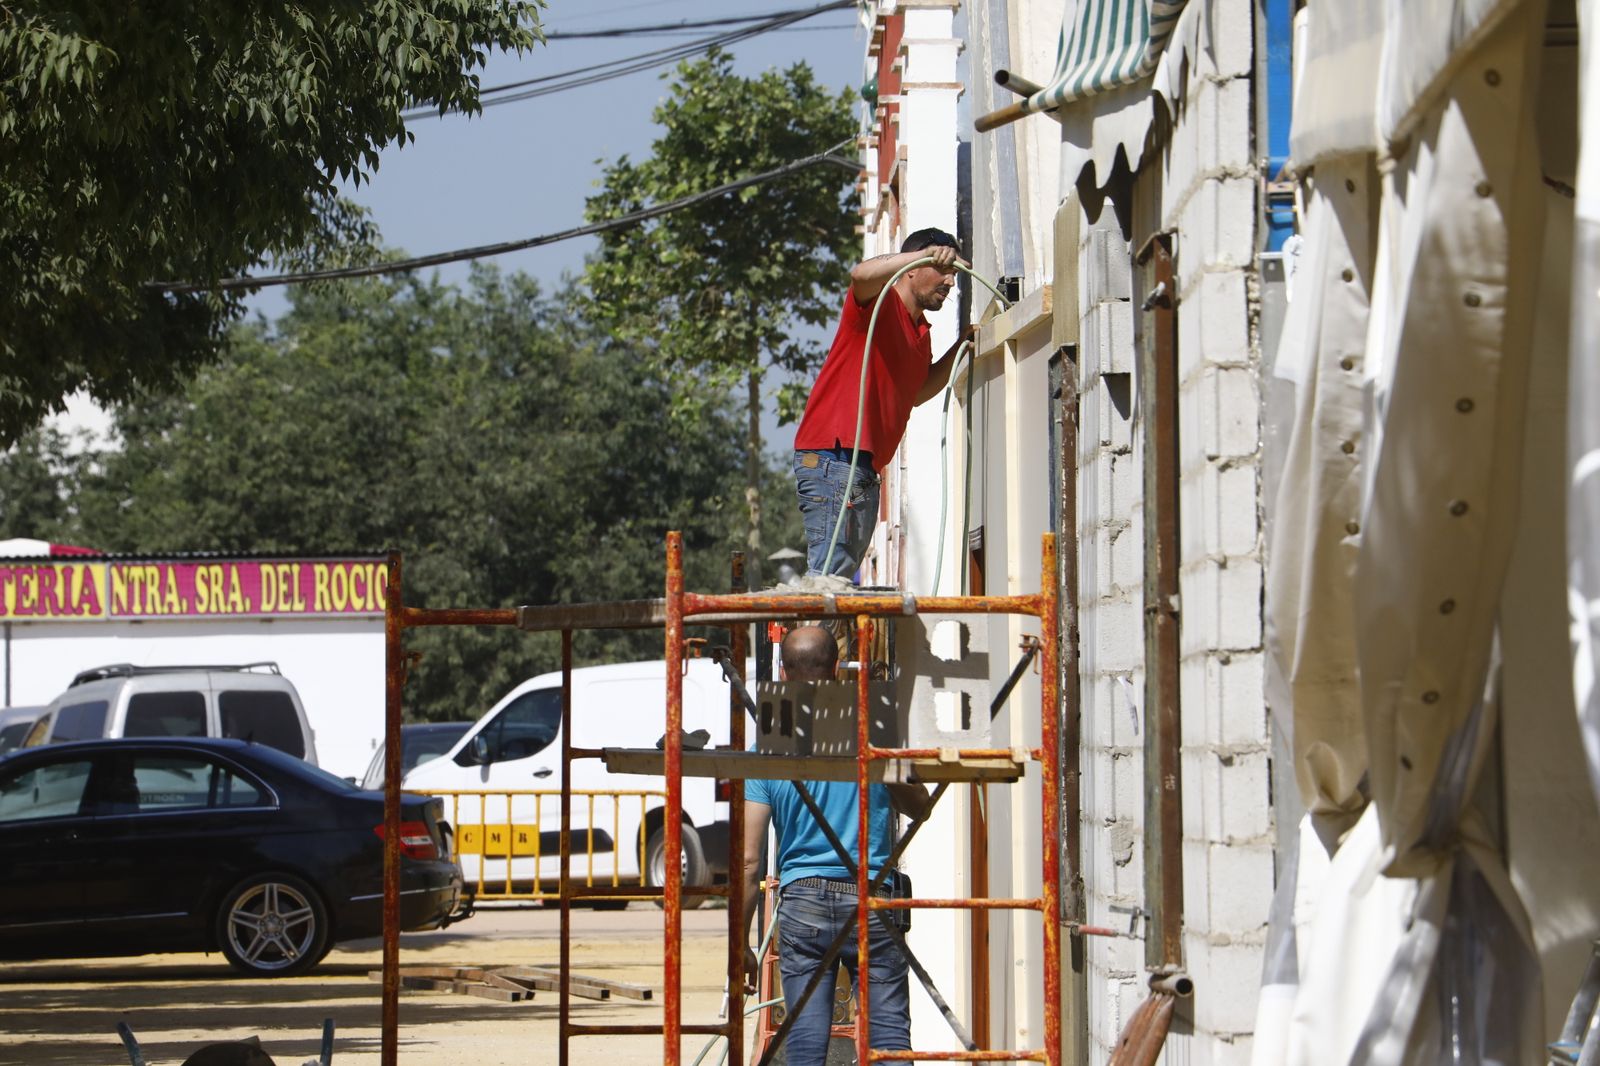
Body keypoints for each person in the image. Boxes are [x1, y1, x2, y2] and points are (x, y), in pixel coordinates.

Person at [741, 626, 932, 1064]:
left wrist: (741, 944)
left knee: (806, 1045)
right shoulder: (873, 729)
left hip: (802, 900)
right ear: (836, 669)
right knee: (888, 1042)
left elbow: (750, 859)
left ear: (784, 675)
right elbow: (920, 806)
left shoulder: (771, 743)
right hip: (873, 897)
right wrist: (881, 759)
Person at [793, 228, 975, 578]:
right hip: (835, 458)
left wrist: (962, 346)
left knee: (838, 582)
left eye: (953, 274)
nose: (950, 282)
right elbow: (860, 274)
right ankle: (808, 633)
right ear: (912, 268)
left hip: (861, 467)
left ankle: (817, 632)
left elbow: (918, 392)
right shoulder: (879, 304)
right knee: (830, 582)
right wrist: (920, 254)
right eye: (943, 270)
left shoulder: (920, 331)